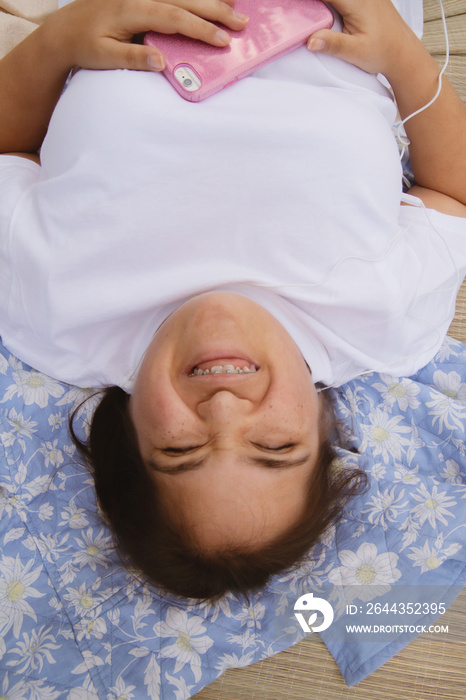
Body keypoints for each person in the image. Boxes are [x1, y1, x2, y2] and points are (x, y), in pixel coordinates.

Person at [0, 0, 465, 600]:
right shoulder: (381, 319)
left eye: (180, 448)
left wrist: (60, 39)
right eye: (274, 446)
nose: (223, 410)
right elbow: (453, 194)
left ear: (127, 433)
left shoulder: (53, 313)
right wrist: (403, 55)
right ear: (325, 429)